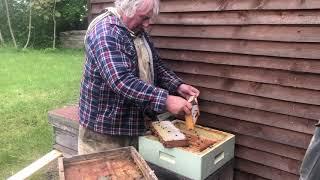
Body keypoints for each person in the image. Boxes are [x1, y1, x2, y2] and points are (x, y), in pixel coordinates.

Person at [78, 0, 200, 155]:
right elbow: (121, 80)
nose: (147, 24)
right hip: (104, 129)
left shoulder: (137, 32)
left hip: (131, 124)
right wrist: (166, 100)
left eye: (149, 18)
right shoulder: (105, 32)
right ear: (126, 9)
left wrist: (177, 86)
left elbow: (155, 65)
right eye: (144, 17)